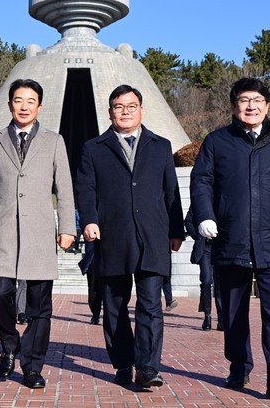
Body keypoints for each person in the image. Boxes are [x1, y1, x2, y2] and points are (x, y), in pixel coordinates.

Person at [190, 77, 270, 400]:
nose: (251, 106)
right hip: (232, 240)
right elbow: (201, 182)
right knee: (233, 313)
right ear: (234, 107)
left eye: (257, 100)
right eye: (244, 100)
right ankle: (239, 365)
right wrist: (205, 216)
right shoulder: (216, 141)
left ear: (267, 106)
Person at [75, 84, 185, 389]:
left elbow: (171, 191)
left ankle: (148, 367)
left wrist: (176, 230)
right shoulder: (94, 148)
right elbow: (85, 188)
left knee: (151, 305)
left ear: (141, 110)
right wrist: (89, 220)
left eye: (131, 106)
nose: (125, 112)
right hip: (112, 235)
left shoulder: (161, 146)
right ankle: (124, 362)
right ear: (110, 112)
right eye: (119, 107)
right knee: (114, 305)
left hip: (153, 236)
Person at [0, 79, 76, 389]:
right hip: (3, 231)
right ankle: (9, 344)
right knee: (0, 292)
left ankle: (32, 367)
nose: (24, 106)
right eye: (18, 100)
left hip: (40, 233)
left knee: (39, 306)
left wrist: (67, 227)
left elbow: (65, 188)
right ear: (9, 105)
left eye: (31, 101)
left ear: (40, 106)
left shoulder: (54, 141)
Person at [186, 210, 223, 331]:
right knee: (206, 281)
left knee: (220, 284)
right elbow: (188, 221)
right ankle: (207, 316)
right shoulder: (199, 202)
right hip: (205, 248)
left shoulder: (222, 200)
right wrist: (197, 235)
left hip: (220, 247)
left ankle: (221, 318)